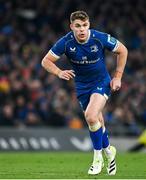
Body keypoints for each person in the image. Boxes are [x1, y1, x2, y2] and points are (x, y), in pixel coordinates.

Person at [41, 10, 128, 175]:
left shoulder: (99, 38)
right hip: (82, 86)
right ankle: (109, 151)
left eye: (85, 25)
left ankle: (97, 159)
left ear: (89, 25)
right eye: (78, 26)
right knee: (96, 122)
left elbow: (123, 50)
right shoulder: (66, 42)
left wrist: (117, 77)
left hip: (101, 82)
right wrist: (58, 72)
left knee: (90, 116)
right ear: (71, 26)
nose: (82, 29)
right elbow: (45, 61)